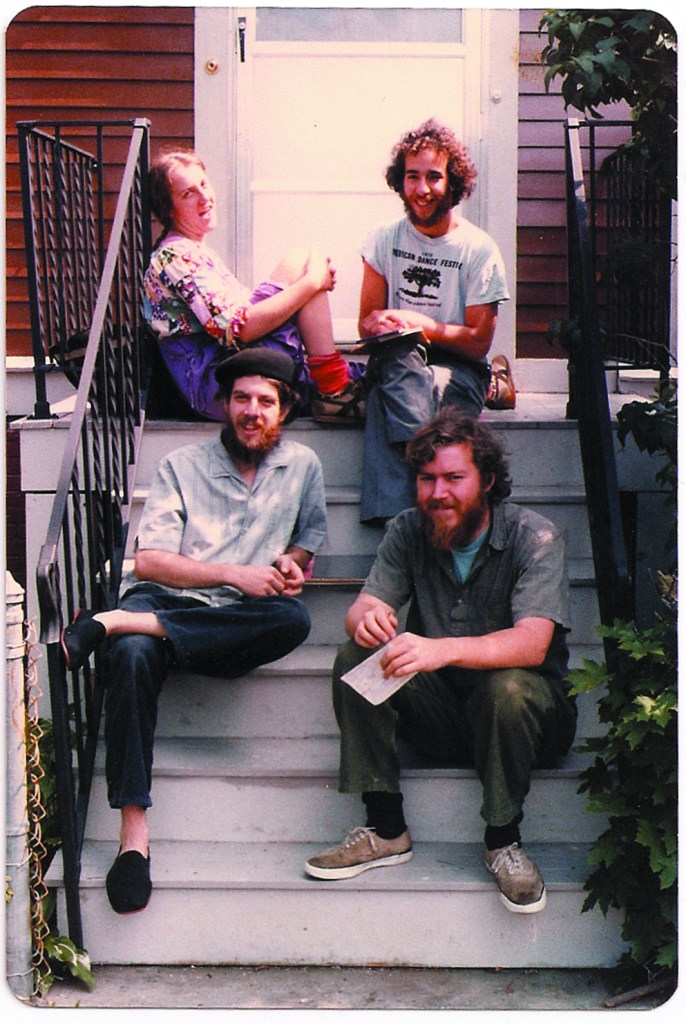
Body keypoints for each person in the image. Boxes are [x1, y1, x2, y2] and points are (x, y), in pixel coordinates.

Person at [60, 347, 328, 914]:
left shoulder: (304, 466)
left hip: (234, 620)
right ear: (224, 404)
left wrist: (289, 565)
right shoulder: (181, 464)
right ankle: (134, 836)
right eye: (241, 398)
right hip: (168, 596)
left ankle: (112, 622)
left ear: (283, 410)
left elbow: (307, 540)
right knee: (132, 655)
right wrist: (234, 573)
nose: (251, 411)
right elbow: (151, 562)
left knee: (294, 619)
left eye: (265, 401)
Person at [305, 408, 577, 914]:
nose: (438, 493)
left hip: (529, 721)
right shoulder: (409, 529)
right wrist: (366, 619)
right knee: (356, 657)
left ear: (487, 481)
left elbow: (532, 643)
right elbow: (365, 606)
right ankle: (386, 828)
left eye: (454, 478)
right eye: (427, 479)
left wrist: (441, 648)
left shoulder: (534, 536)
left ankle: (503, 841)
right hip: (446, 714)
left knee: (507, 687)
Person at [357, 118, 514, 523]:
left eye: (433, 177)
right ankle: (430, 470)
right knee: (398, 355)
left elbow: (478, 342)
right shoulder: (383, 238)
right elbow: (365, 322)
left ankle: (398, 523)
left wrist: (420, 323)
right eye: (412, 176)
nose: (422, 189)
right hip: (399, 360)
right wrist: (379, 325)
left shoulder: (478, 249)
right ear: (400, 181)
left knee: (385, 401)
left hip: (459, 367)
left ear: (453, 182)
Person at [144, 147, 365, 423]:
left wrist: (308, 284)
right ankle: (334, 391)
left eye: (204, 184)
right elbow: (241, 330)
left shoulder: (196, 252)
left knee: (306, 261)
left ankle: (333, 383)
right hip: (218, 382)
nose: (204, 198)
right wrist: (311, 283)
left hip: (232, 363)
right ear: (169, 210)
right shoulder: (175, 257)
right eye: (188, 193)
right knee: (301, 263)